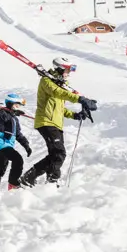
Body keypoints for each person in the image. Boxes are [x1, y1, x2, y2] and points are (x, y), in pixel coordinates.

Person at [20, 57, 97, 186]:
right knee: (59, 153)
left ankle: (29, 178)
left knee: (54, 154)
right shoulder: (46, 81)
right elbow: (58, 93)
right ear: (60, 69)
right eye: (68, 70)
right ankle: (51, 180)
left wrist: (75, 115)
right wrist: (80, 99)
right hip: (46, 122)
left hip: (55, 123)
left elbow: (60, 108)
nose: (69, 73)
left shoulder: (58, 83)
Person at [0, 94, 31, 191]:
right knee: (18, 160)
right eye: (16, 105)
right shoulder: (2, 114)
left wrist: (26, 145)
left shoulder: (14, 119)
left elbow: (18, 134)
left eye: (18, 106)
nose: (17, 107)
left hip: (7, 145)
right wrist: (10, 112)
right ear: (10, 104)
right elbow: (1, 118)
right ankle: (13, 183)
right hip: (1, 143)